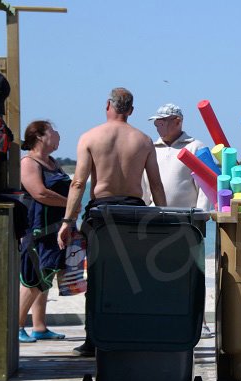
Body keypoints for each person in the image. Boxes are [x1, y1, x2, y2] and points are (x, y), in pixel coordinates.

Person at [57, 87, 167, 356]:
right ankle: (129, 334)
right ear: (130, 110)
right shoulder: (143, 140)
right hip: (133, 214)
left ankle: (93, 340)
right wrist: (164, 218)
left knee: (97, 278)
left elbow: (79, 182)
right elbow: (155, 184)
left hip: (101, 215)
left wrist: (68, 220)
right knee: (133, 277)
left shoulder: (90, 137)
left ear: (108, 105)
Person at [144, 103, 213, 338]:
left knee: (193, 272)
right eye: (156, 121)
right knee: (156, 270)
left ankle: (199, 322)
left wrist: (201, 216)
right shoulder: (150, 147)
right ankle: (160, 317)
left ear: (177, 122)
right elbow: (145, 184)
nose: (157, 125)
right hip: (155, 219)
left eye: (162, 121)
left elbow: (204, 185)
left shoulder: (195, 146)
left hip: (187, 221)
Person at [18, 120, 69, 343]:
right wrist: (71, 204)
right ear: (40, 136)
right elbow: (39, 193)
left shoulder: (52, 162)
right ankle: (16, 326)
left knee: (45, 277)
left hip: (54, 229)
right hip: (36, 229)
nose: (58, 135)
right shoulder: (29, 162)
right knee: (32, 279)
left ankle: (39, 326)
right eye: (53, 131)